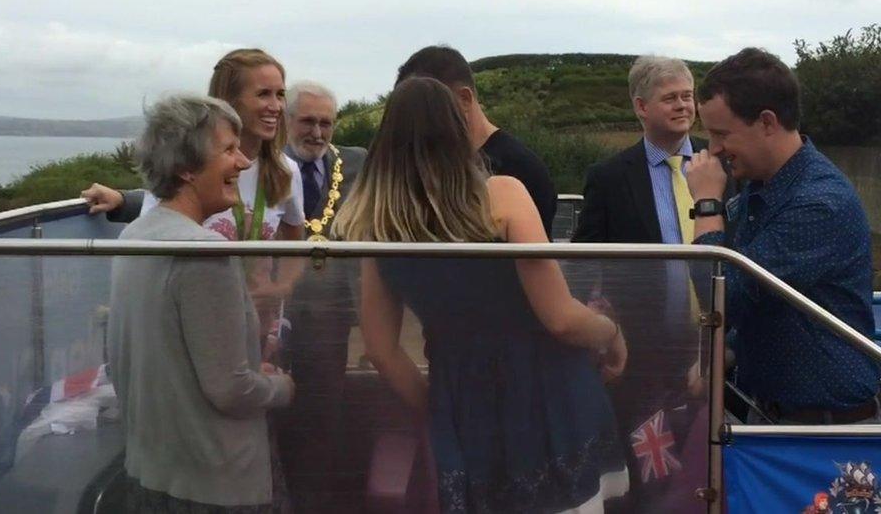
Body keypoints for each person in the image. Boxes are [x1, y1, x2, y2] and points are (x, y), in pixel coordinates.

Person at [333, 77, 629, 513]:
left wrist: (438, 407)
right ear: (458, 131)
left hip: (464, 406)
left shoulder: (377, 224)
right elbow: (561, 319)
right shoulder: (502, 197)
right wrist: (612, 332)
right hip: (550, 398)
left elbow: (380, 349)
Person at [108, 93, 294, 512]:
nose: (244, 162)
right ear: (187, 168)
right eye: (229, 150)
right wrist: (281, 387)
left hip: (150, 473)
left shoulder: (133, 237)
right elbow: (230, 390)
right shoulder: (204, 252)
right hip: (213, 486)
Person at [572, 56, 736, 506]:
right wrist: (595, 317)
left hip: (715, 344)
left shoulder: (722, 164)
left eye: (688, 96)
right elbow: (583, 261)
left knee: (710, 467)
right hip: (640, 353)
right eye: (670, 98)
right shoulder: (608, 178)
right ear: (641, 106)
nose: (684, 106)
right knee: (649, 473)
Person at [687, 47, 880, 424]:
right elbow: (770, 303)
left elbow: (721, 295)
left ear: (767, 122)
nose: (714, 150)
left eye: (721, 134)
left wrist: (707, 203)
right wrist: (728, 351)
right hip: (775, 417)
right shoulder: (763, 191)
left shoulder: (820, 204)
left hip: (826, 434)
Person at [83, 48, 306, 360]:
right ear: (231, 100)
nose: (276, 106)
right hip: (195, 332)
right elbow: (153, 246)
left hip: (256, 331)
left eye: (280, 94)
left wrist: (281, 288)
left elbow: (296, 240)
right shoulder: (192, 165)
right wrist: (124, 200)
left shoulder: (286, 172)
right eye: (263, 94)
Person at [277, 80, 366, 512]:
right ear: (288, 120)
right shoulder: (264, 164)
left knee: (323, 416)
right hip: (269, 311)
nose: (317, 132)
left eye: (326, 122)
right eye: (307, 121)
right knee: (269, 414)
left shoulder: (357, 164)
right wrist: (123, 200)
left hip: (330, 319)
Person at [394, 45, 557, 233]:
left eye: (428, 105)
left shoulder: (521, 170)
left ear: (464, 98)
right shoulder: (414, 166)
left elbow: (534, 257)